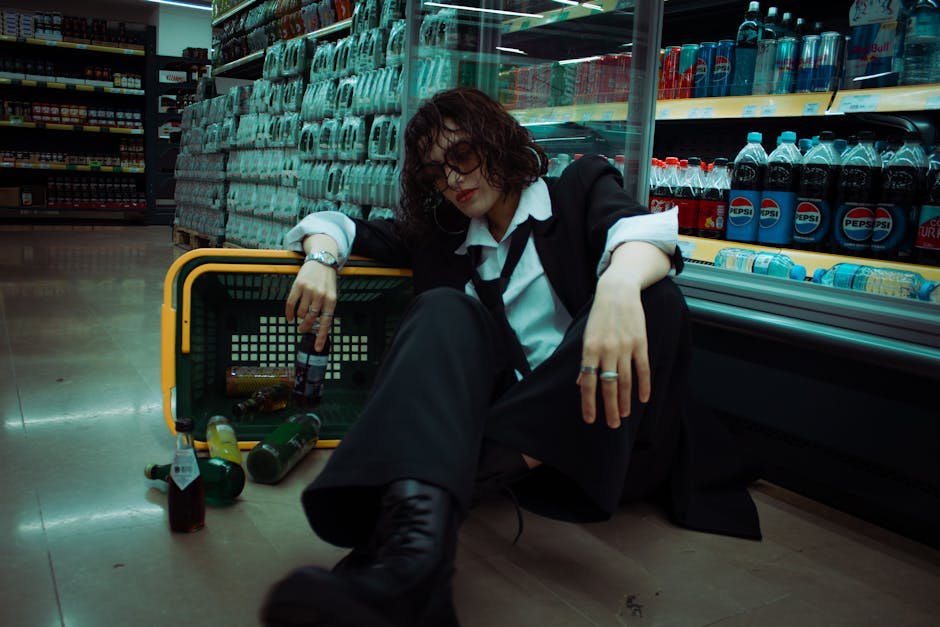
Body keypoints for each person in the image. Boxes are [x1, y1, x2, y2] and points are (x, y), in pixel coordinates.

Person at [261, 87, 760, 627]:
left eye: (463, 156)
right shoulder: (443, 237)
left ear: (498, 142)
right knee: (441, 309)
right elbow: (342, 225)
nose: (452, 180)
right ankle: (415, 564)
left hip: (604, 441)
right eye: (435, 172)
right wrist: (322, 258)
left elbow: (640, 231)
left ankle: (402, 549)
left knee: (655, 298)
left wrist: (617, 283)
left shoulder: (577, 189)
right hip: (504, 453)